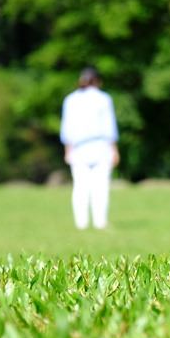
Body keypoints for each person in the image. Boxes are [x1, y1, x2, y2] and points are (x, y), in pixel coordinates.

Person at [60, 67, 120, 230]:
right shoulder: (104, 99)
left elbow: (67, 128)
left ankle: (81, 223)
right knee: (101, 187)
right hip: (100, 147)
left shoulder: (70, 100)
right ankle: (100, 222)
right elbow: (109, 127)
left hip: (78, 148)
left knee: (80, 187)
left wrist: (67, 149)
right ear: (98, 81)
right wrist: (114, 149)